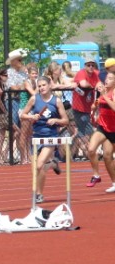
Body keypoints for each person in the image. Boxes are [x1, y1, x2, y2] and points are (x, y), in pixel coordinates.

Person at [20, 76, 69, 204]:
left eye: (44, 85)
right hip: (36, 136)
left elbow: (66, 120)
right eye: (39, 86)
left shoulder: (56, 101)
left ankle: (39, 194)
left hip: (50, 136)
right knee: (35, 169)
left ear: (49, 86)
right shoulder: (34, 99)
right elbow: (22, 115)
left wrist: (56, 120)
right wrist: (31, 117)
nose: (41, 88)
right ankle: (52, 163)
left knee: (39, 165)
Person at [87, 72, 115, 193]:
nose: (107, 80)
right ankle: (96, 175)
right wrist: (94, 107)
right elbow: (98, 102)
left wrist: (104, 96)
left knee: (108, 157)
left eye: (110, 78)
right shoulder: (103, 91)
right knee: (91, 149)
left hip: (114, 130)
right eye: (106, 78)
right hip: (103, 127)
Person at [72, 57, 99, 172]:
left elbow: (100, 84)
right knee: (86, 132)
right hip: (79, 108)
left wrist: (98, 85)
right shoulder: (81, 73)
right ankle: (86, 152)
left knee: (84, 132)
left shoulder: (95, 74)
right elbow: (83, 83)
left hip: (88, 108)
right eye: (89, 65)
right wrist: (92, 86)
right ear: (85, 66)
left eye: (93, 65)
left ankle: (83, 152)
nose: (91, 67)